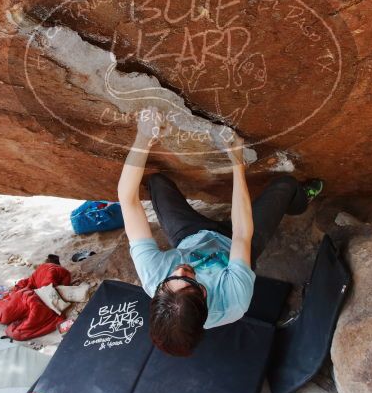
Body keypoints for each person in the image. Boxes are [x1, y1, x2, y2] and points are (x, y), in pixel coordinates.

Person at [117, 109, 323, 356]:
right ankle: (300, 201)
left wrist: (143, 137)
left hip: (189, 236)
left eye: (171, 280)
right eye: (191, 281)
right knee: (285, 186)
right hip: (234, 244)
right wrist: (237, 162)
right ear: (205, 296)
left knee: (157, 183)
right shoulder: (233, 302)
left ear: (158, 294)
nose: (181, 270)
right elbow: (241, 234)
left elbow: (127, 200)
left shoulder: (153, 276)